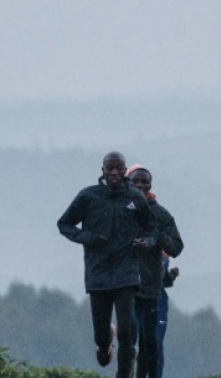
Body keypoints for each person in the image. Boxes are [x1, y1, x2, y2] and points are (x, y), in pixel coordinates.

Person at [58, 151, 156, 378]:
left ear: (124, 171)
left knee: (127, 333)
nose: (114, 172)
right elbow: (64, 224)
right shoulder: (88, 197)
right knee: (101, 336)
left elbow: (151, 229)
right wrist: (89, 238)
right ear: (102, 170)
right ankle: (104, 345)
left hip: (127, 274)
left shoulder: (136, 199)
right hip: (98, 274)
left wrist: (147, 241)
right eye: (109, 168)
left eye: (118, 168)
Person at [126, 164, 184, 378]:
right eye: (135, 181)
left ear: (150, 185)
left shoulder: (160, 214)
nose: (140, 185)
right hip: (125, 288)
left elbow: (176, 248)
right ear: (127, 183)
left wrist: (156, 236)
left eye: (144, 181)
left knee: (151, 344)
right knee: (128, 339)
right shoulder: (118, 209)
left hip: (152, 293)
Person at [156, 253, 179, 378]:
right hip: (139, 302)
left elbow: (161, 281)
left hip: (159, 302)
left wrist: (170, 277)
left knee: (157, 342)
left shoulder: (164, 250)